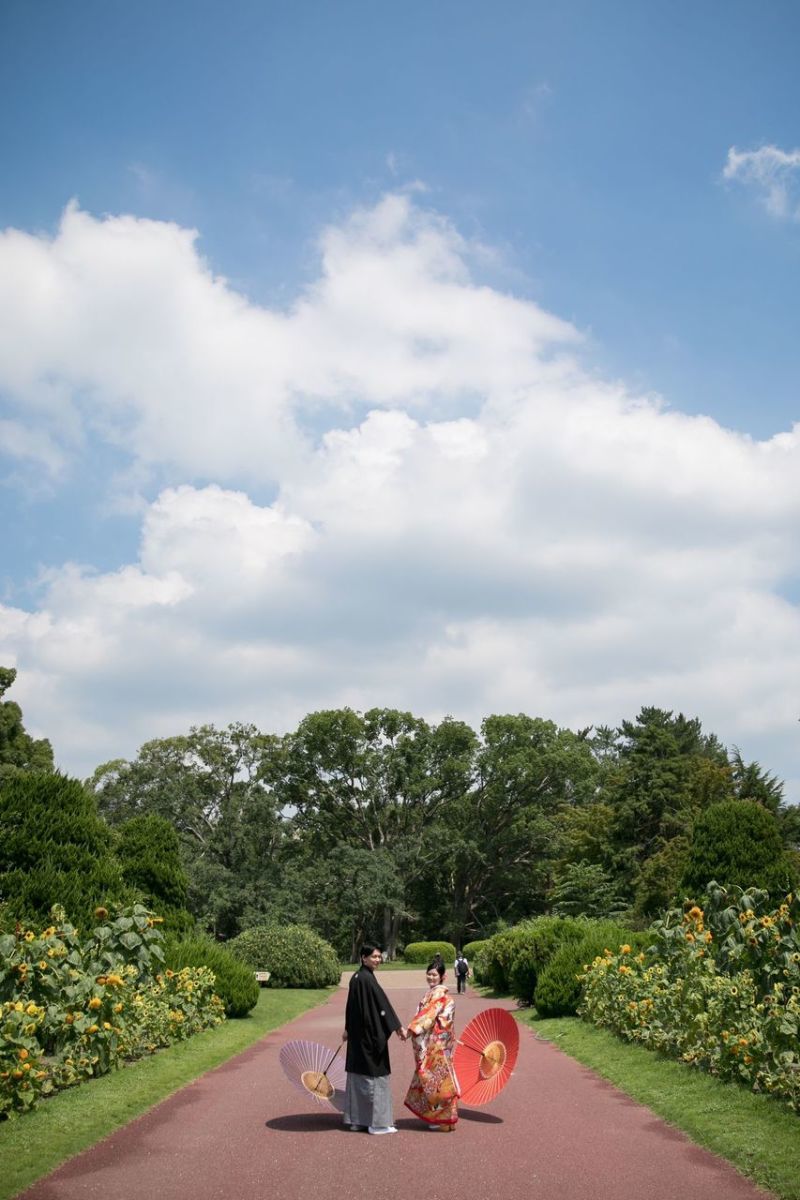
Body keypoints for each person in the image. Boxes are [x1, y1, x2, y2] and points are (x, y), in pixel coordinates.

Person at [343, 943, 407, 1135]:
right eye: (374, 957)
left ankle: (358, 1121)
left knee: (358, 1077)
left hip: (357, 1038)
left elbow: (350, 1008)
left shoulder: (356, 977)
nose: (378, 960)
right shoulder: (367, 980)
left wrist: (347, 1029)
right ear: (363, 958)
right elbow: (383, 1006)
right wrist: (397, 1027)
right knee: (376, 1078)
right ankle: (378, 1124)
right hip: (370, 1038)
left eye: (379, 957)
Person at [403, 955, 459, 1130]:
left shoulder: (438, 996)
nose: (431, 977)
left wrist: (411, 1030)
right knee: (443, 1078)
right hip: (443, 1043)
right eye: (429, 974)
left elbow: (426, 1017)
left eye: (434, 975)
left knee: (432, 1079)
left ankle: (440, 1118)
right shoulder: (443, 996)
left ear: (443, 977)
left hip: (434, 1044)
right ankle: (448, 1117)